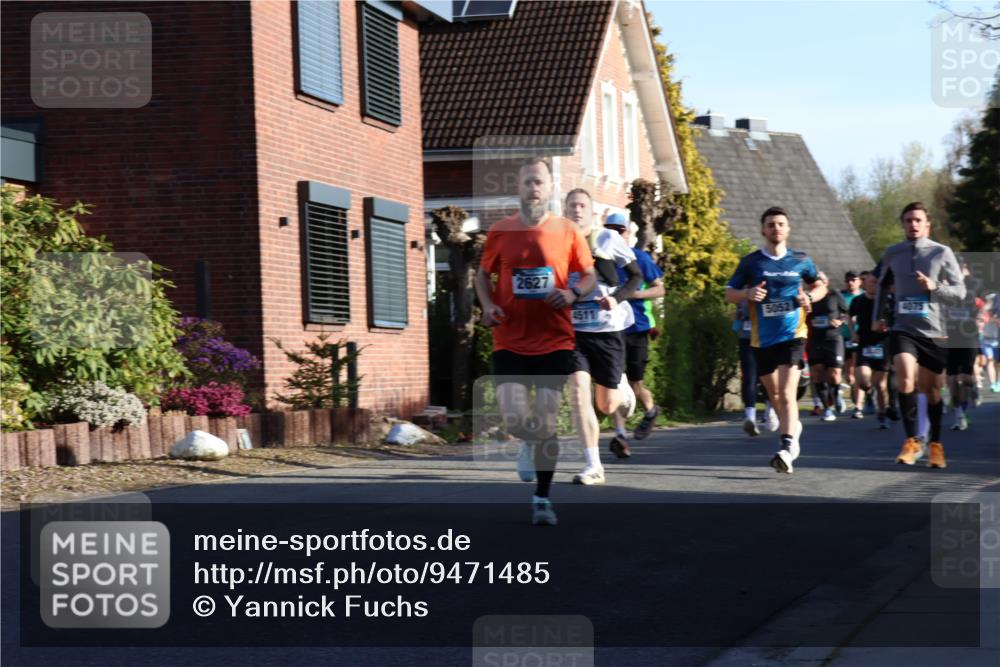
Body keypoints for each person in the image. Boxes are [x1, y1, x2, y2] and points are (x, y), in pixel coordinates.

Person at [475, 157, 597, 524]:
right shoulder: (501, 231)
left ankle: (542, 499)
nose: (533, 188)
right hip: (509, 338)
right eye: (527, 182)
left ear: (549, 187)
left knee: (546, 422)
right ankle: (525, 442)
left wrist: (574, 295)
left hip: (555, 339)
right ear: (519, 187)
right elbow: (482, 277)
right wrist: (487, 305)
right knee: (514, 419)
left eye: (539, 182)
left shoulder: (568, 231)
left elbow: (588, 276)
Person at [725, 206, 827, 474]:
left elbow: (820, 285)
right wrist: (747, 294)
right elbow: (729, 293)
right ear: (763, 230)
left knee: (786, 392)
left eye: (781, 224)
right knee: (775, 395)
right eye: (771, 224)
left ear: (788, 229)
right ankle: (792, 428)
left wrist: (810, 298)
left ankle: (787, 446)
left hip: (793, 335)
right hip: (762, 339)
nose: (776, 228)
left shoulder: (801, 260)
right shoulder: (751, 262)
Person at [872, 202, 965, 469]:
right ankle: (911, 441)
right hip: (903, 328)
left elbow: (959, 293)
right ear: (902, 224)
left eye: (917, 220)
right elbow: (881, 286)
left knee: (933, 390)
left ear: (927, 224)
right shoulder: (893, 253)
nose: (913, 225)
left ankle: (935, 445)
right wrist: (877, 317)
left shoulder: (941, 252)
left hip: (935, 331)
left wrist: (934, 286)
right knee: (904, 376)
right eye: (908, 220)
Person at [562, 199, 642, 484]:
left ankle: (623, 390)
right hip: (575, 333)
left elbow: (636, 277)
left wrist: (616, 298)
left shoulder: (606, 238)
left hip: (608, 331)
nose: (577, 210)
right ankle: (593, 465)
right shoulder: (558, 243)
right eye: (571, 206)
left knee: (607, 405)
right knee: (579, 396)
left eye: (582, 205)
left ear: (591, 212)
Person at [605, 217, 667, 451]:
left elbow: (660, 288)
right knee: (614, 381)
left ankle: (651, 411)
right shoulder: (601, 260)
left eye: (619, 230)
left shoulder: (640, 258)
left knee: (634, 384)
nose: (615, 234)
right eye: (609, 230)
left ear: (628, 233)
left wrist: (634, 294)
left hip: (638, 328)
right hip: (611, 328)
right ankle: (620, 436)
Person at [847, 271, 890, 428]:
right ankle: (868, 395)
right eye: (871, 282)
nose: (874, 285)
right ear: (865, 284)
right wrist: (853, 334)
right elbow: (849, 316)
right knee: (864, 381)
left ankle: (882, 414)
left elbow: (895, 319)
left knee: (881, 385)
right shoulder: (858, 301)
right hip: (864, 344)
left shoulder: (886, 300)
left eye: (877, 283)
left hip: (882, 344)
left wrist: (887, 327)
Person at [945, 257, 983, 431]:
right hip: (950, 336)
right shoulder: (943, 284)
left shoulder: (974, 283)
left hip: (968, 335)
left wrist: (982, 316)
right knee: (952, 380)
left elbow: (986, 301)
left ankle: (972, 386)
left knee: (965, 378)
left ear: (963, 268)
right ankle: (960, 413)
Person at [806, 272, 849, 422]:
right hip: (816, 339)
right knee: (817, 373)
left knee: (834, 373)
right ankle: (827, 409)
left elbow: (845, 313)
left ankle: (836, 394)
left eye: (820, 280)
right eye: (813, 281)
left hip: (833, 338)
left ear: (826, 282)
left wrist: (839, 321)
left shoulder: (834, 294)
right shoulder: (808, 297)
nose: (816, 284)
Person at [734, 300, 779, 435]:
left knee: (767, 376)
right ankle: (750, 417)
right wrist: (738, 318)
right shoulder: (742, 289)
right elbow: (737, 311)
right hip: (746, 338)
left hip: (766, 338)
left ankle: (770, 411)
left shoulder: (768, 286)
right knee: (749, 376)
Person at [840, 271, 864, 414]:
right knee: (849, 374)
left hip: (860, 337)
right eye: (848, 280)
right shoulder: (841, 296)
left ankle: (858, 406)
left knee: (858, 370)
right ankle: (856, 398)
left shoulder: (864, 296)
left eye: (853, 280)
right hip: (844, 337)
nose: (850, 282)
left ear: (859, 281)